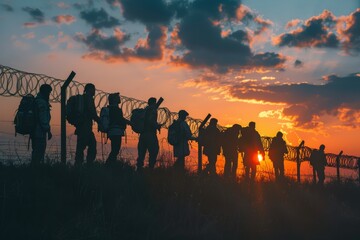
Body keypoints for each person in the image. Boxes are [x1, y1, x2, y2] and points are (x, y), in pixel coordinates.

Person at [75, 83, 100, 166]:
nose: (94, 91)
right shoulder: (88, 98)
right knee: (87, 146)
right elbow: (91, 111)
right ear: (89, 89)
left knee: (85, 146)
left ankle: (82, 166)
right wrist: (98, 120)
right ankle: (82, 166)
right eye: (93, 89)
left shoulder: (84, 98)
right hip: (85, 127)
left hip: (83, 127)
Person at [106, 93, 131, 165]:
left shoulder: (111, 108)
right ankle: (108, 166)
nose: (119, 98)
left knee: (114, 150)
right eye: (117, 97)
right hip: (116, 131)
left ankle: (110, 165)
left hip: (112, 131)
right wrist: (129, 123)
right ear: (114, 99)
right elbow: (120, 119)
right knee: (115, 150)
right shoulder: (116, 109)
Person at [136, 97, 161, 170]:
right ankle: (150, 169)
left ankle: (139, 170)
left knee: (141, 153)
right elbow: (150, 120)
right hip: (150, 134)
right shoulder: (153, 110)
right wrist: (157, 125)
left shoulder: (145, 110)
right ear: (154, 103)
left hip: (142, 134)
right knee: (154, 151)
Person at [30, 84, 52, 166]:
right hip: (39, 131)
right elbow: (43, 118)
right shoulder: (42, 102)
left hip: (35, 130)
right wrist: (48, 130)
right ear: (45, 92)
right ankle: (35, 171)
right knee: (39, 151)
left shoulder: (37, 100)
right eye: (49, 92)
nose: (49, 94)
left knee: (36, 151)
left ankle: (34, 170)